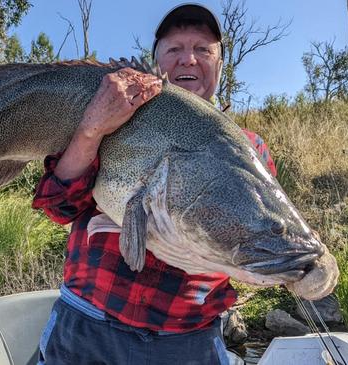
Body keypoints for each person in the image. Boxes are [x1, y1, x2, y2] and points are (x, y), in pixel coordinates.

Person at [32, 4, 277, 364]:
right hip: (88, 327)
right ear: (155, 64)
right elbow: (58, 207)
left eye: (203, 49)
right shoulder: (110, 116)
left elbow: (259, 238)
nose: (188, 60)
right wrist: (92, 129)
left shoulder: (250, 150)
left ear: (220, 64)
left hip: (189, 340)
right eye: (174, 49)